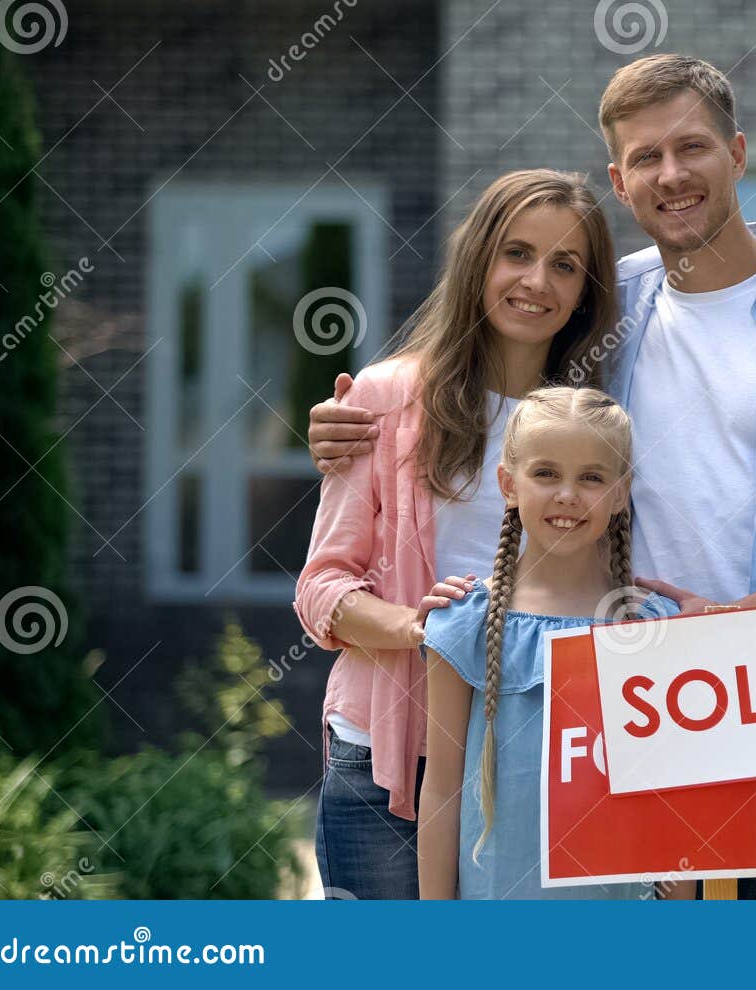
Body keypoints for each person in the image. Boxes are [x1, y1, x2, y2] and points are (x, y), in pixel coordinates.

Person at [307, 54, 756, 899]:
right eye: (646, 158)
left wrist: (746, 620)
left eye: (692, 149)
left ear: (739, 153)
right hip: (641, 708)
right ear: (620, 178)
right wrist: (356, 421)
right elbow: (492, 386)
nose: (671, 175)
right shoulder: (610, 307)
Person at [293, 170, 620, 899]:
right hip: (391, 759)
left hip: (528, 763)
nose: (537, 281)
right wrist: (429, 630)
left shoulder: (592, 423)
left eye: (565, 265)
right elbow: (320, 591)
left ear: (585, 291)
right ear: (478, 260)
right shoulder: (382, 400)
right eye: (517, 253)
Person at [417, 386, 678, 899]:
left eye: (592, 478)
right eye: (546, 473)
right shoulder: (465, 622)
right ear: (508, 484)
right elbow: (442, 791)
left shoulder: (653, 628)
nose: (567, 495)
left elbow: (675, 802)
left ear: (621, 492)